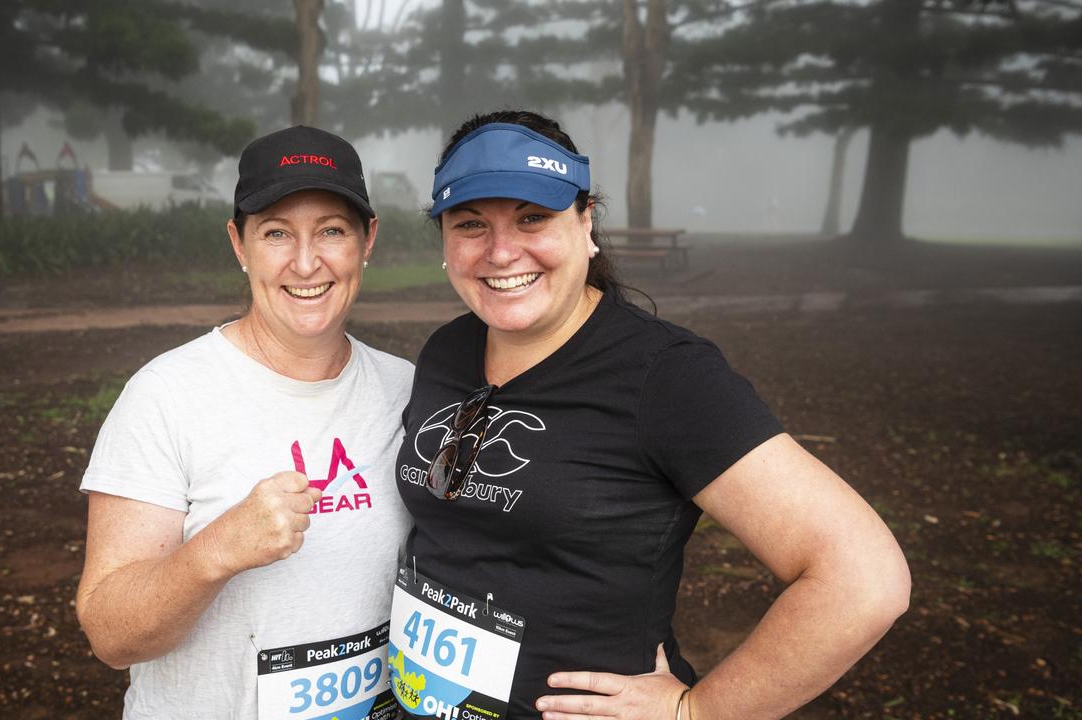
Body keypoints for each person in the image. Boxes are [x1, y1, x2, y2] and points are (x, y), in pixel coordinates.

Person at [389, 110, 911, 720]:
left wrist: (699, 711)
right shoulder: (448, 350)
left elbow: (863, 579)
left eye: (533, 218)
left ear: (586, 225)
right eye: (471, 224)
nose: (502, 251)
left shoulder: (666, 376)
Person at [76, 125, 414, 719]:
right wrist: (216, 550)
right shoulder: (166, 397)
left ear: (368, 240)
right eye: (276, 232)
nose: (306, 262)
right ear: (239, 244)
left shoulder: (407, 391)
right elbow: (111, 635)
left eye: (332, 231)